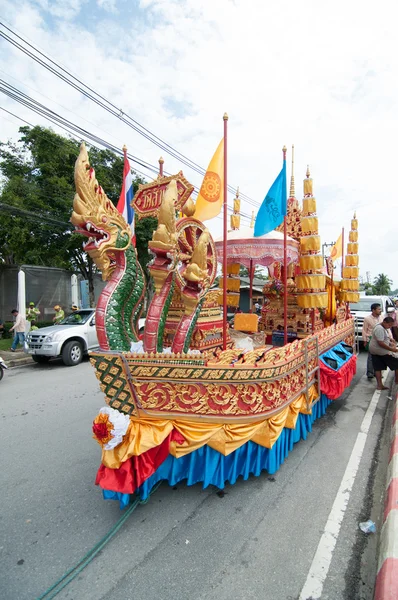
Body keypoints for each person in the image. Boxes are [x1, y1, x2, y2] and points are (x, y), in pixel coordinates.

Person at [369, 316, 398, 390]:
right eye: (389, 325)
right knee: (396, 364)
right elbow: (380, 343)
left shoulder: (381, 327)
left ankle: (380, 385)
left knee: (378, 368)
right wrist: (391, 349)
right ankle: (397, 381)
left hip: (375, 350)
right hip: (381, 351)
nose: (390, 327)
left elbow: (384, 338)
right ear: (384, 322)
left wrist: (390, 339)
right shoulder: (379, 329)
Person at [362, 303, 383, 380]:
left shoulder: (381, 318)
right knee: (371, 357)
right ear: (373, 310)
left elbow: (386, 328)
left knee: (380, 356)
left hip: (380, 338)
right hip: (371, 338)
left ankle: (377, 372)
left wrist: (390, 337)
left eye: (380, 309)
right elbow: (364, 330)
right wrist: (365, 340)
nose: (380, 311)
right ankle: (370, 372)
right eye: (379, 309)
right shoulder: (367, 319)